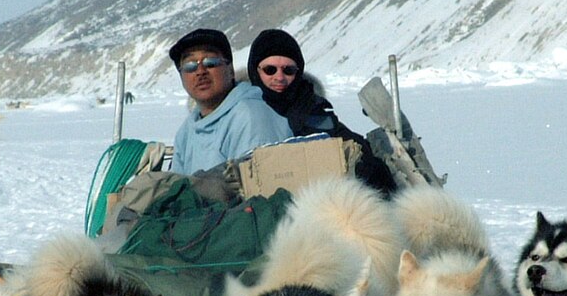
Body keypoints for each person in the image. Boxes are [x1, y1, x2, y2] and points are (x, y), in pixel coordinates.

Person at [247, 28, 397, 196]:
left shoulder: (315, 110)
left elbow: (351, 144)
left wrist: (367, 166)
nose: (279, 77)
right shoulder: (244, 112)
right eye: (270, 70)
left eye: (288, 70)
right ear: (255, 70)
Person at [169, 28, 291, 174]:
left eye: (211, 62)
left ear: (230, 70)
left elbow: (261, 190)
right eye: (190, 65)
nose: (200, 71)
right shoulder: (187, 129)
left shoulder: (251, 117)